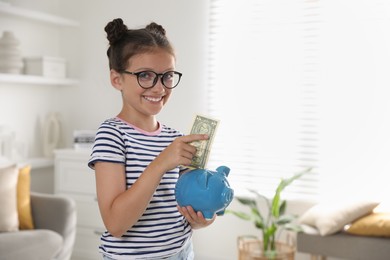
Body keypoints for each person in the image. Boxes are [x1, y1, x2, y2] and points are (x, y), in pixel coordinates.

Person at [88, 18, 215, 260]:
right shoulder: (112, 135)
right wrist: (161, 163)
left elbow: (183, 208)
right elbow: (116, 224)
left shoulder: (176, 139)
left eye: (167, 76)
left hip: (182, 252)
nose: (159, 88)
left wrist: (200, 219)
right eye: (145, 75)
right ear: (117, 79)